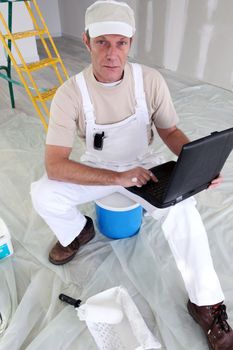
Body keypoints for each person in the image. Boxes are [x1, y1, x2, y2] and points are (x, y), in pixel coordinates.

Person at [30, 1, 233, 348]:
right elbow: (56, 164)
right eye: (102, 42)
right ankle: (80, 231)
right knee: (43, 192)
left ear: (131, 43)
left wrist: (196, 167)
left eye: (121, 43)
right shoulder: (70, 94)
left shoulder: (149, 81)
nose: (112, 53)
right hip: (99, 168)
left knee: (185, 211)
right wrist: (116, 179)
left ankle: (206, 304)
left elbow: (170, 131)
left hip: (147, 164)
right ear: (86, 40)